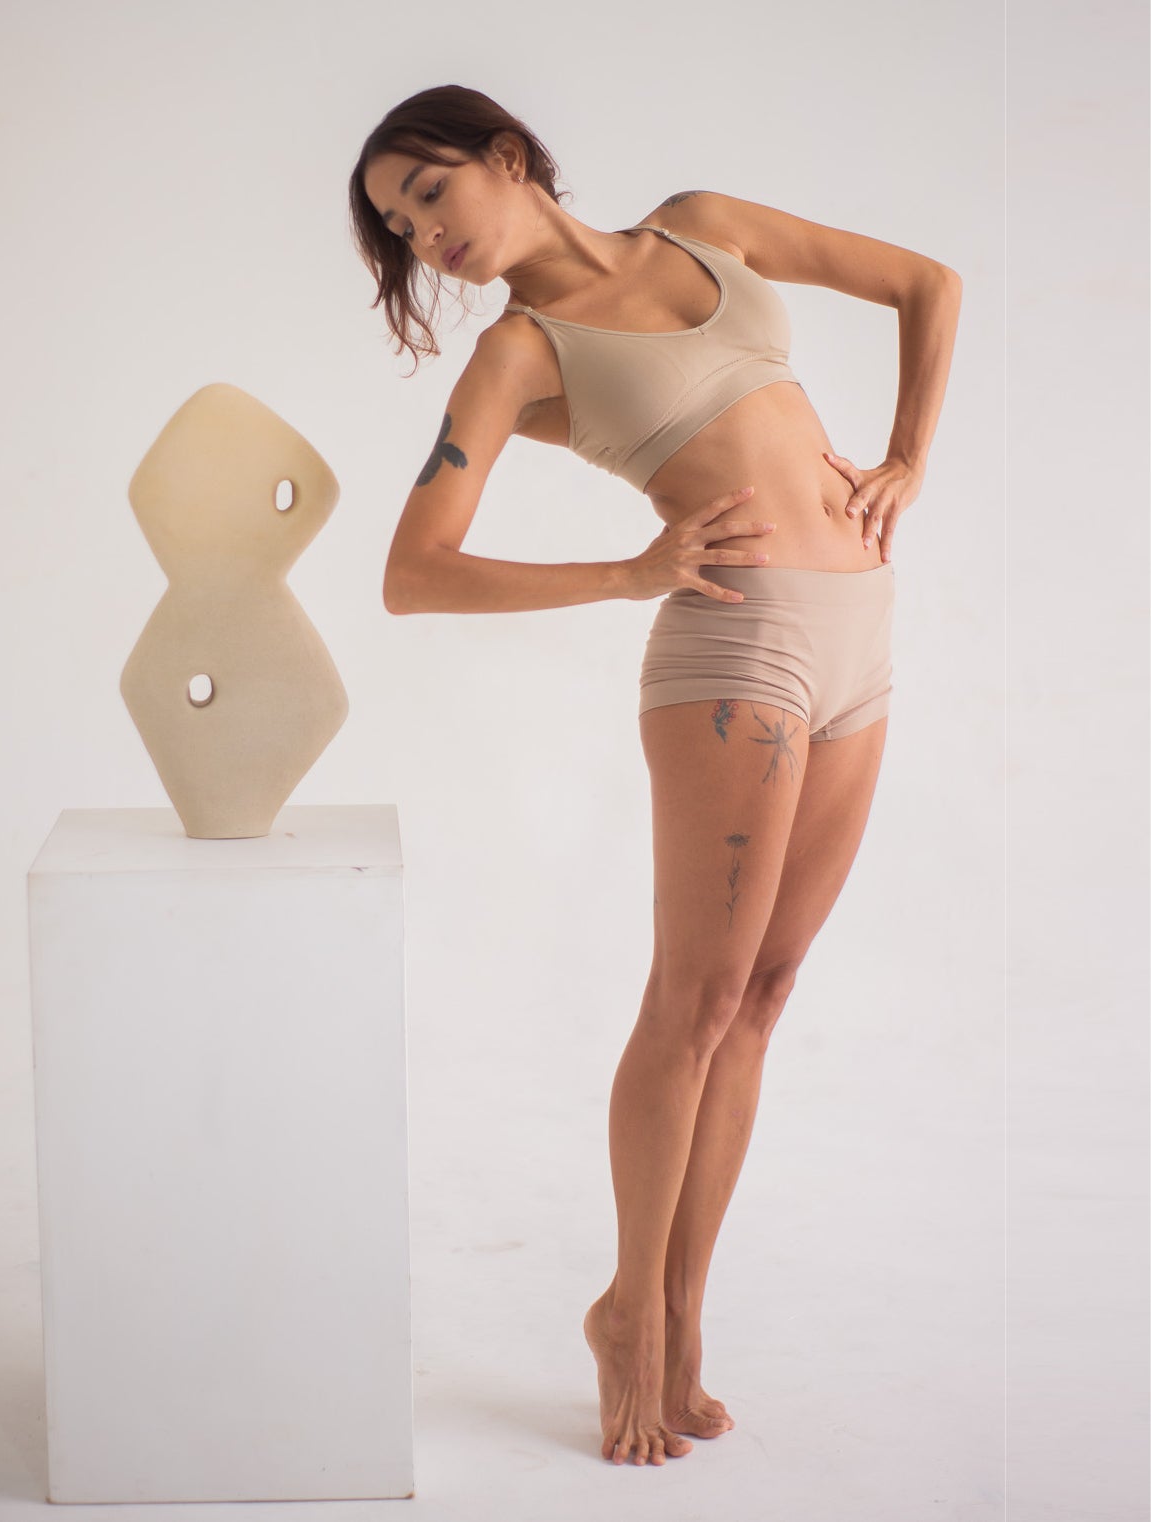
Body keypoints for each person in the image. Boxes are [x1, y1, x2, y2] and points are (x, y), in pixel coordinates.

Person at [350, 85, 962, 1469]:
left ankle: (682, 1319)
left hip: (861, 632)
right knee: (693, 1002)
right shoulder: (517, 352)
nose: (424, 235)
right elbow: (413, 573)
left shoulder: (705, 227)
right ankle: (629, 1312)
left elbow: (927, 283)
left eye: (429, 193)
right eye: (399, 227)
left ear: (507, 156)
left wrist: (908, 461)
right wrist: (628, 574)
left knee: (763, 996)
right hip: (735, 652)